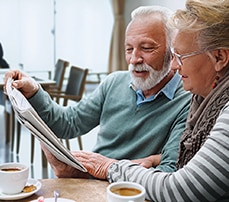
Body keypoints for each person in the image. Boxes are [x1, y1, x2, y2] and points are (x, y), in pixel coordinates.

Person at [48, 0, 229, 201]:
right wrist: (155, 158)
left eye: (181, 55)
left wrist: (108, 166)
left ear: (219, 58)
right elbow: (196, 159)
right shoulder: (203, 100)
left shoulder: (200, 102)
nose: (175, 65)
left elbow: (179, 188)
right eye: (129, 49)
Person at [4, 6, 191, 176]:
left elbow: (168, 172)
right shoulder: (113, 82)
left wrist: (93, 171)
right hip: (90, 182)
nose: (134, 59)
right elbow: (68, 123)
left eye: (147, 48)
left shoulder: (187, 101)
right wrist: (35, 92)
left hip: (130, 191)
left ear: (172, 52)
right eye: (128, 49)